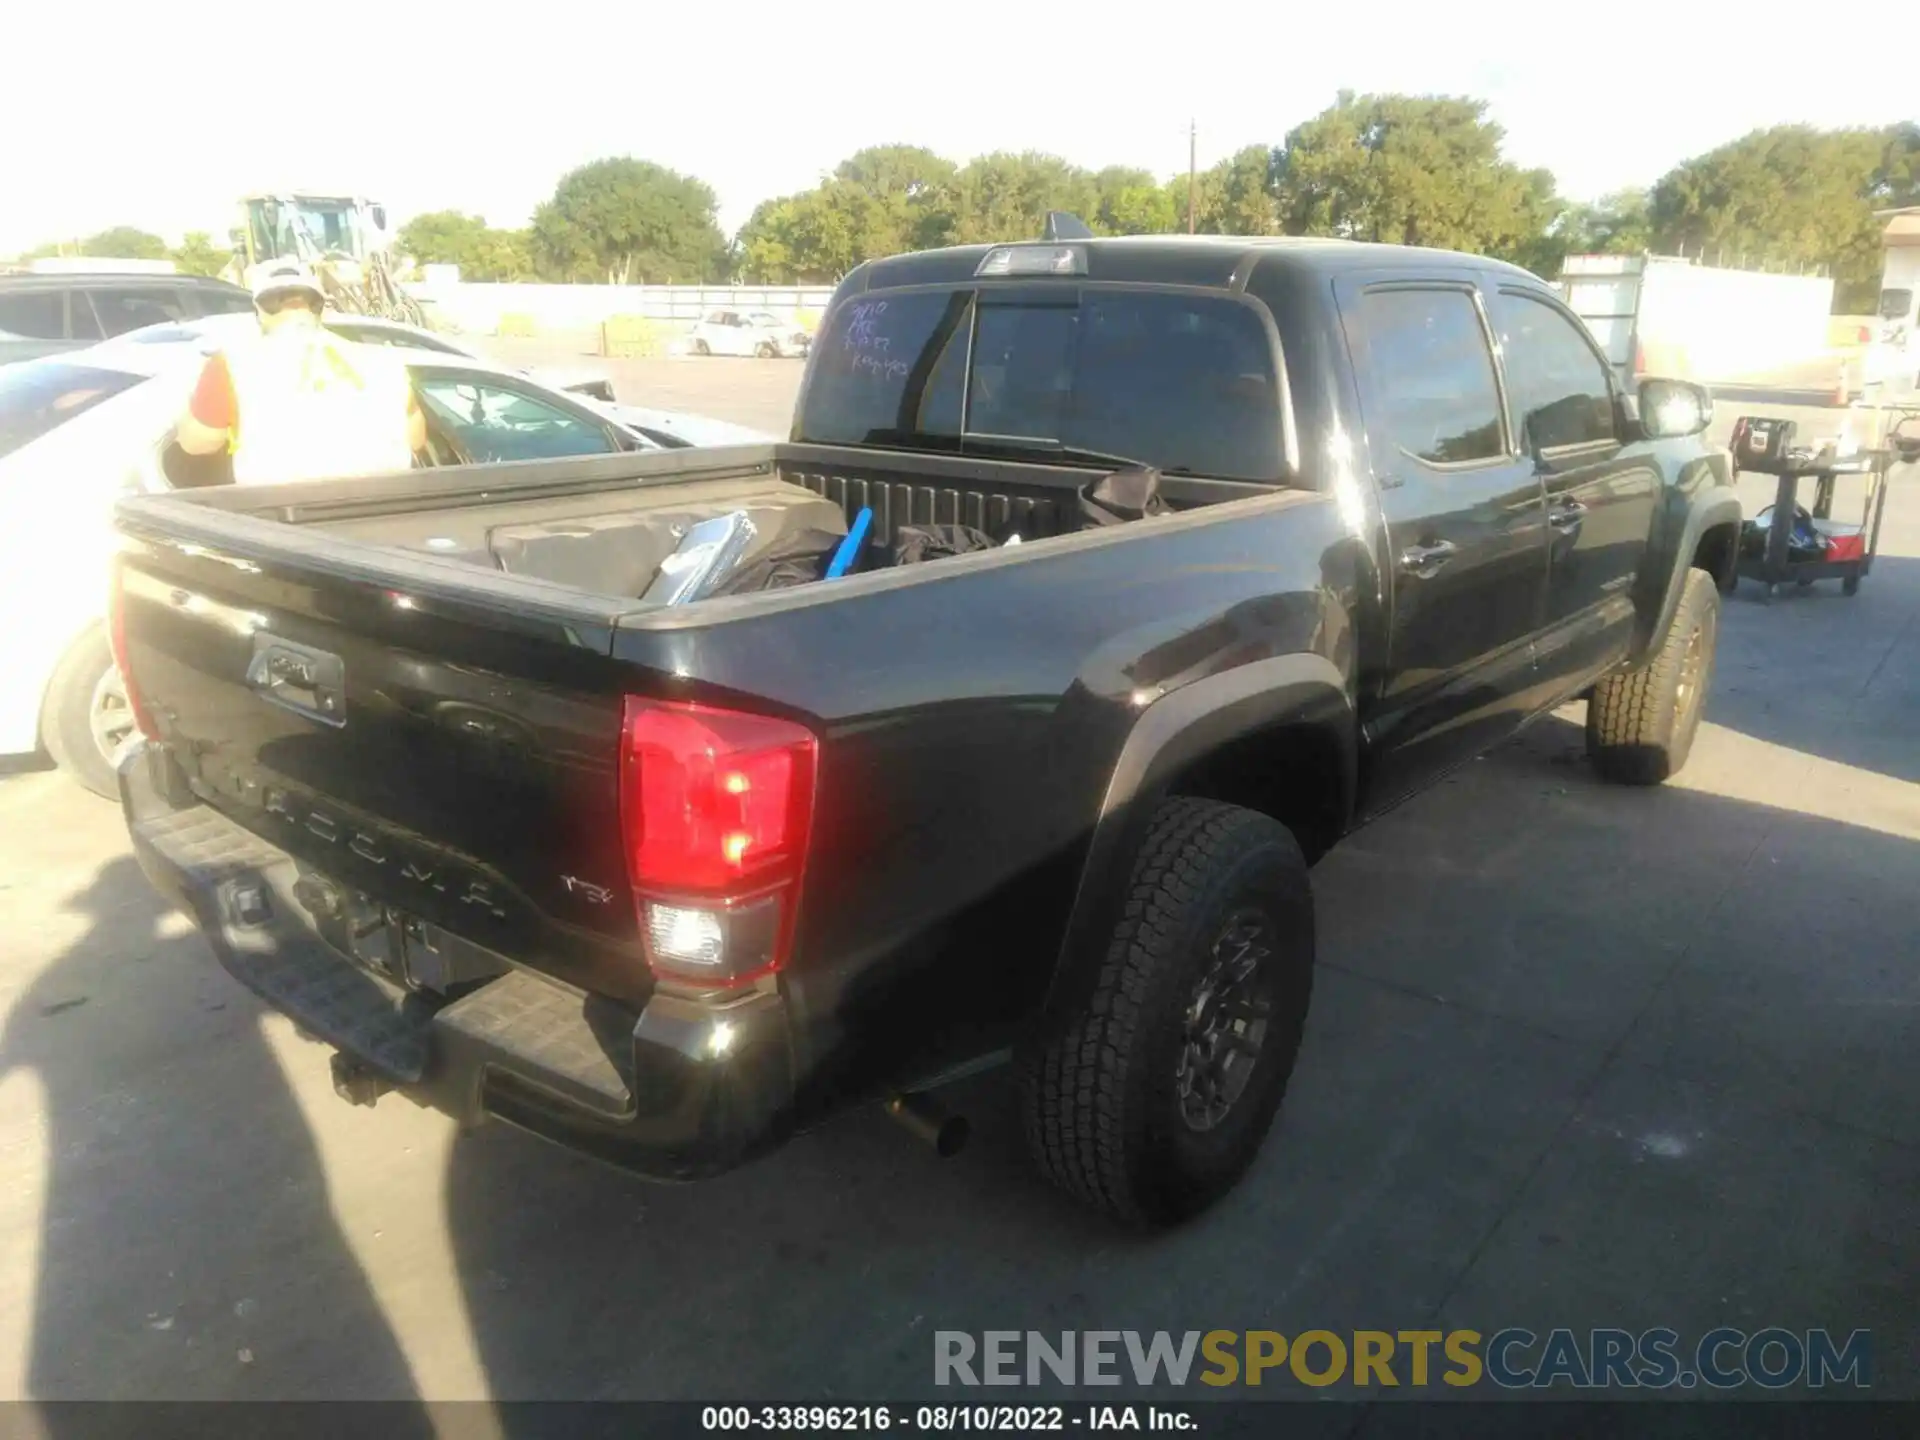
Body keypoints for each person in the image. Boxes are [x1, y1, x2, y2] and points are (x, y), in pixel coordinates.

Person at [175, 260, 425, 485]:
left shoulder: (232, 365)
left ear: (260, 312)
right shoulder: (384, 362)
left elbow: (197, 443)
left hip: (286, 522)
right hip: (383, 514)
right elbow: (415, 439)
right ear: (318, 307)